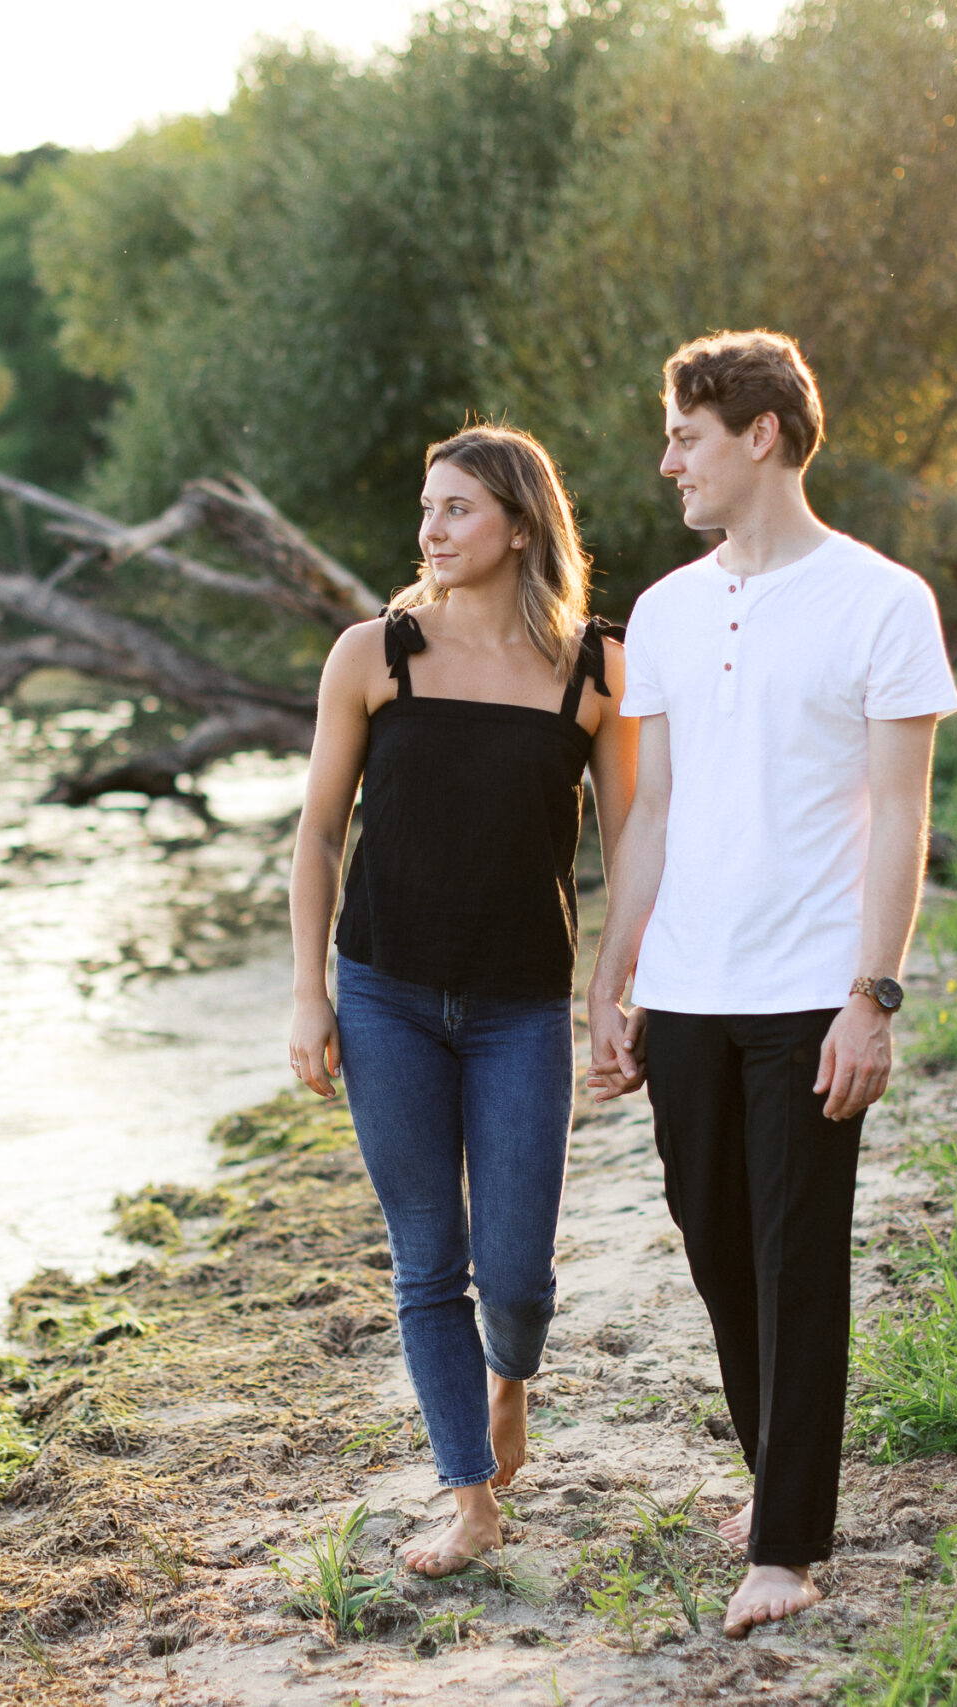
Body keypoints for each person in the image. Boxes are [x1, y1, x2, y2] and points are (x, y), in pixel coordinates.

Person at [586, 330, 957, 1638]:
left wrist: (876, 991)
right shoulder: (671, 610)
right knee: (714, 1241)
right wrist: (612, 971)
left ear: (761, 433)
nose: (668, 458)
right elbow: (652, 812)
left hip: (812, 985)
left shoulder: (883, 600)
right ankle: (779, 1484)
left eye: (686, 432)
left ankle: (787, 1538)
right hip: (686, 987)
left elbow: (900, 816)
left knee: (798, 1256)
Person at [287, 424, 637, 1576]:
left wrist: (609, 994)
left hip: (518, 1006)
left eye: (456, 510)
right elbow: (320, 834)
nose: (430, 529)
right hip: (383, 993)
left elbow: (632, 840)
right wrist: (309, 994)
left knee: (522, 1271)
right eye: (426, 507)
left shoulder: (593, 669)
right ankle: (470, 1496)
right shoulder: (373, 656)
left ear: (521, 528)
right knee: (428, 1261)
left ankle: (511, 1385)